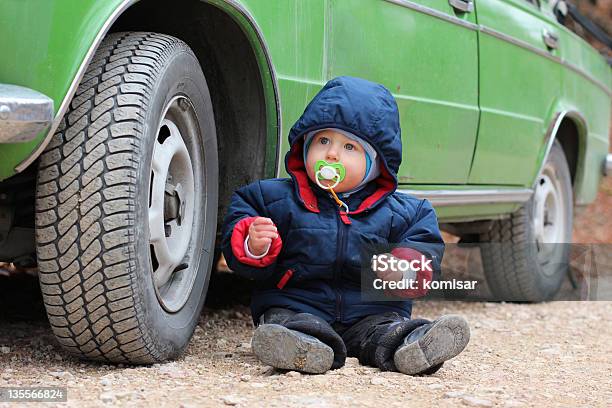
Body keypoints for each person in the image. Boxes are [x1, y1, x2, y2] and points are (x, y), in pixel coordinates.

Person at [220, 76, 470, 375]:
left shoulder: (407, 212)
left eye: (350, 146)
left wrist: (402, 270)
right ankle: (300, 347)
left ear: (377, 164)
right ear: (305, 146)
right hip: (297, 303)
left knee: (387, 331)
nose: (332, 154)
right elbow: (241, 225)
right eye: (323, 141)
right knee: (285, 321)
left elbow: (423, 250)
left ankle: (413, 346)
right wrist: (254, 243)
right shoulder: (270, 198)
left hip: (371, 312)